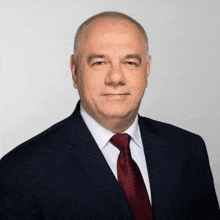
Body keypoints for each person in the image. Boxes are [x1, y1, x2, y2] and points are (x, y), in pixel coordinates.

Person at [0, 11, 219, 220]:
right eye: (99, 62)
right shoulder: (21, 171)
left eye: (130, 62)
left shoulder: (188, 149)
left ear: (147, 70)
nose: (115, 78)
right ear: (75, 71)